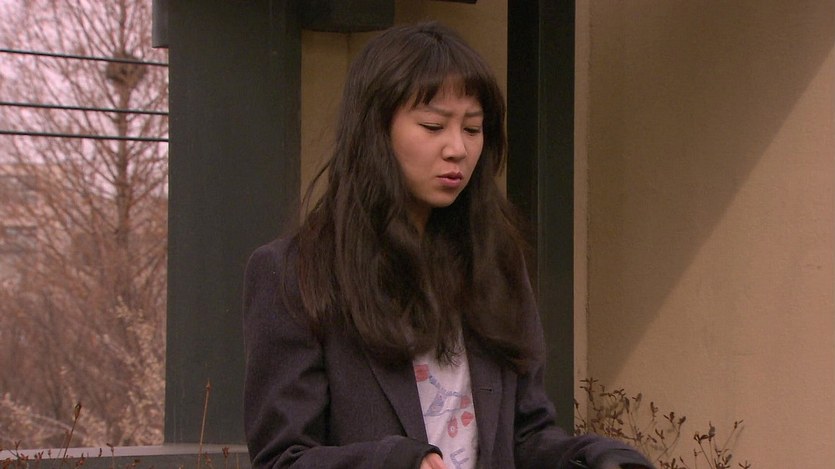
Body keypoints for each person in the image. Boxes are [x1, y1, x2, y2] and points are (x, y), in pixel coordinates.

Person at [242, 21, 655, 469]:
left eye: (473, 129)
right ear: (374, 130)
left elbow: (525, 438)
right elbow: (283, 459)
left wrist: (596, 458)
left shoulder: (495, 262)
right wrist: (397, 462)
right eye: (433, 125)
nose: (457, 148)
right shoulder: (294, 273)